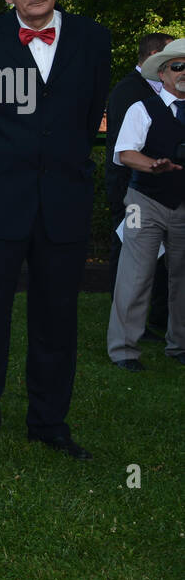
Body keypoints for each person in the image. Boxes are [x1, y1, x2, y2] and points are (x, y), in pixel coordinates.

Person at [0, 0, 111, 459]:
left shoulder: (93, 38)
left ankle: (49, 422)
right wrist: (2, 168)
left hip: (63, 201)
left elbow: (88, 120)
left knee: (57, 317)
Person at [107, 38, 185, 370]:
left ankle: (179, 345)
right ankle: (124, 348)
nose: (184, 72)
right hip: (145, 202)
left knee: (182, 279)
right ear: (163, 73)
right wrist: (152, 165)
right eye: (177, 66)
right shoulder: (142, 109)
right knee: (135, 276)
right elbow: (125, 153)